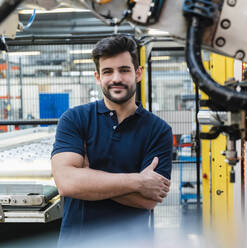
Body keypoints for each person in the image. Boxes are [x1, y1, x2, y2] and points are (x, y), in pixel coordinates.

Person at [51, 35, 173, 247]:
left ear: (138, 73)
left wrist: (88, 178)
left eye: (124, 70)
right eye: (108, 71)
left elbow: (149, 199)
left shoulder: (158, 130)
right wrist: (138, 181)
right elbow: (67, 183)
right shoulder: (75, 119)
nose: (116, 78)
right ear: (98, 77)